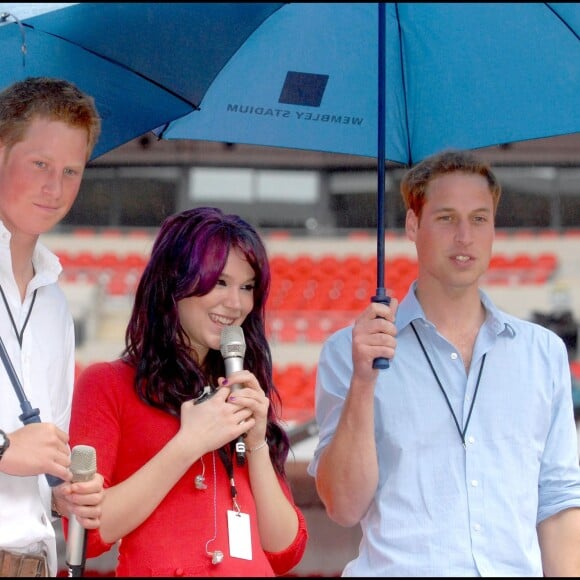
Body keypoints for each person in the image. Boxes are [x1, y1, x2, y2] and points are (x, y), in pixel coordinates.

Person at [307, 149, 580, 576]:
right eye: (447, 218)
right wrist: (364, 381)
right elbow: (342, 505)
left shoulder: (542, 353)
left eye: (479, 219)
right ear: (414, 225)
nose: (464, 237)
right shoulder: (351, 352)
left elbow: (560, 501)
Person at [67, 206, 308, 576]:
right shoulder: (108, 385)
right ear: (173, 281)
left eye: (247, 288)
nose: (236, 304)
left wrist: (257, 442)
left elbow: (285, 550)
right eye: (220, 282)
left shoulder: (242, 389)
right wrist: (189, 443)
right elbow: (88, 533)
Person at [0, 77, 105, 577]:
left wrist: (63, 494)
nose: (54, 188)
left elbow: (47, 454)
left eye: (71, 171)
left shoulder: (56, 303)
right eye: (40, 164)